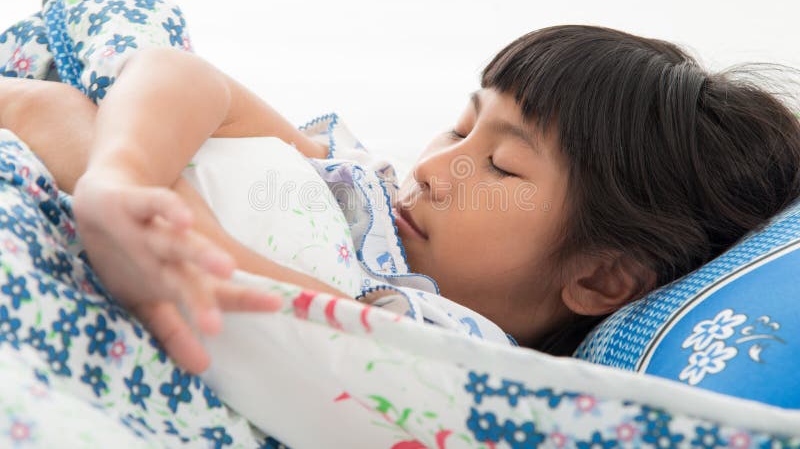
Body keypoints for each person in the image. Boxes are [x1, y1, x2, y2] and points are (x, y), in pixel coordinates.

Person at [2, 24, 800, 376]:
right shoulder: (359, 184)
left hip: (159, 262)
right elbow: (184, 77)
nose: (436, 167)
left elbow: (307, 327)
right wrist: (125, 175)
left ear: (598, 280)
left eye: (502, 167)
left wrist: (186, 236)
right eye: (459, 125)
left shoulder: (448, 345)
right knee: (53, 109)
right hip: (109, 177)